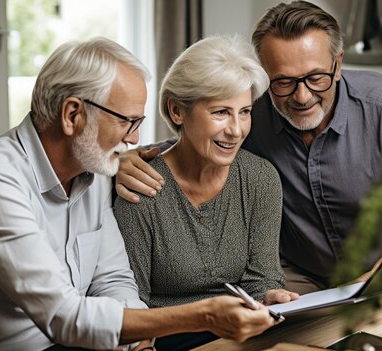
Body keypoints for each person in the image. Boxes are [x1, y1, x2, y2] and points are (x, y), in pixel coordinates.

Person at [0, 38, 278, 351]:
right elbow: (63, 315)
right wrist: (203, 315)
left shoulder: (94, 172)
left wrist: (140, 343)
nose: (133, 139)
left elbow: (113, 279)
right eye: (126, 121)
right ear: (71, 115)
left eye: (138, 123)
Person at [115, 1, 382, 295]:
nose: (301, 97)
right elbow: (198, 137)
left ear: (337, 65)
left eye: (315, 78)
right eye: (284, 81)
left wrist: (377, 279)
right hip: (300, 276)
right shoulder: (252, 111)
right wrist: (124, 159)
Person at [113, 35, 299, 351]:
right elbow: (132, 304)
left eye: (244, 112)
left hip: (238, 333)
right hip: (167, 338)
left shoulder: (260, 179)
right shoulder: (142, 184)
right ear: (176, 111)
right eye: (220, 112)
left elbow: (261, 280)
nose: (237, 129)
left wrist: (269, 296)